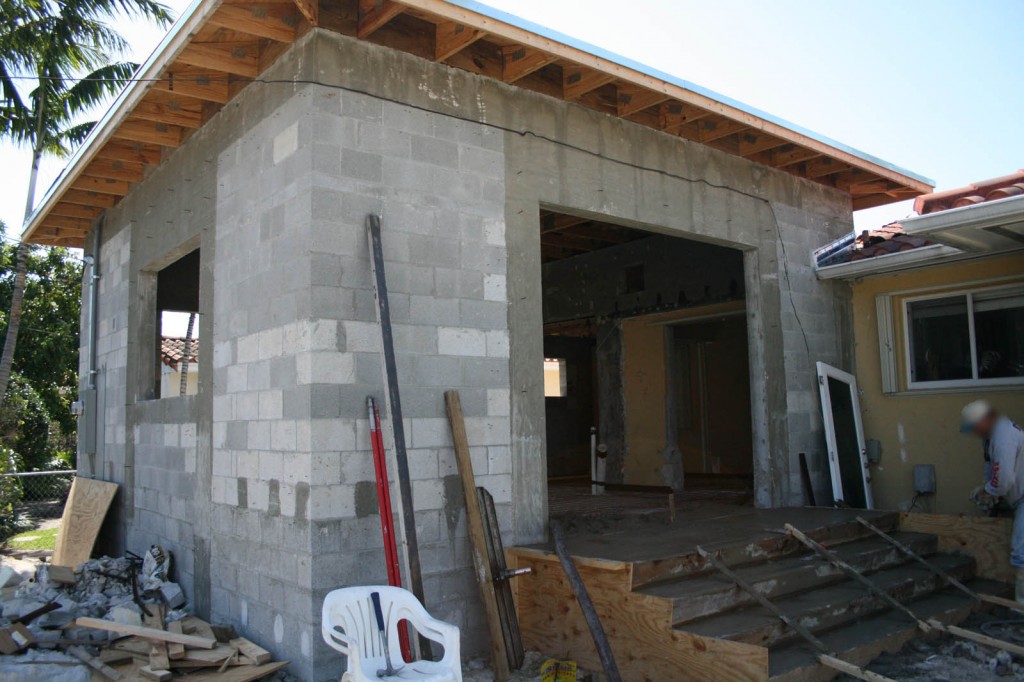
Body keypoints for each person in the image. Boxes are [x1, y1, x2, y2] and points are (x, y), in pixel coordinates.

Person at [963, 400, 1024, 602]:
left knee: (1022, 553)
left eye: (974, 426)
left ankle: (1021, 612)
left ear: (985, 419)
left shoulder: (1003, 436)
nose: (974, 432)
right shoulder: (991, 437)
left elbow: (1004, 478)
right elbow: (991, 466)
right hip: (1020, 499)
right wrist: (986, 488)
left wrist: (990, 491)